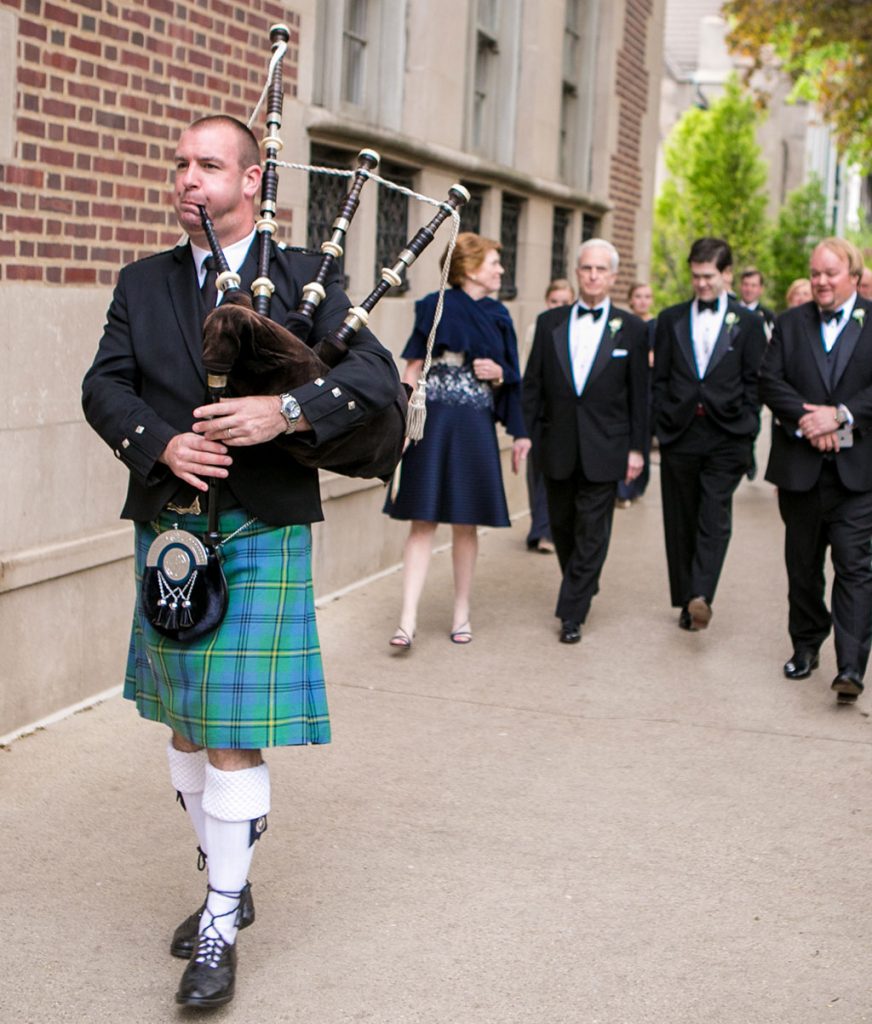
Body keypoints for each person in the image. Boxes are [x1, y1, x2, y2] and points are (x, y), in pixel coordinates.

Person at [81, 115, 400, 1008]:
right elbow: (103, 385)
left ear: (253, 181)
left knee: (228, 731)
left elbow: (375, 377)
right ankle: (232, 870)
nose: (189, 178)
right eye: (180, 164)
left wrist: (286, 413)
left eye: (209, 165)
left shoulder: (309, 276)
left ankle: (220, 916)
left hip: (261, 524)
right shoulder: (141, 283)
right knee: (184, 723)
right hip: (171, 531)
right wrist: (160, 444)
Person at [383, 232, 530, 648]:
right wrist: (402, 421)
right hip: (434, 421)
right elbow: (412, 366)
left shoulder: (500, 314)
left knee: (466, 523)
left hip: (475, 423)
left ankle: (461, 614)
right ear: (468, 267)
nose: (501, 269)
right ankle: (406, 620)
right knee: (422, 519)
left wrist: (497, 373)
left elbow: (513, 375)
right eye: (494, 263)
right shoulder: (433, 305)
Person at [759, 237, 872, 705]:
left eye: (830, 273)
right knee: (803, 567)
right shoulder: (789, 323)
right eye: (816, 273)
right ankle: (806, 646)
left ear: (853, 275)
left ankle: (850, 666)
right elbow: (769, 379)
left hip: (857, 474)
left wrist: (841, 414)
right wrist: (811, 420)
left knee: (854, 567)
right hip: (801, 469)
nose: (821, 282)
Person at [522, 239, 648, 644]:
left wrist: (637, 449)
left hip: (606, 446)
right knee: (562, 527)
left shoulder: (632, 328)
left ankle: (571, 611)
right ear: (577, 273)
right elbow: (533, 386)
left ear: (612, 277)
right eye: (586, 268)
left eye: (601, 270)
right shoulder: (549, 323)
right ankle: (581, 582)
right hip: (555, 445)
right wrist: (526, 435)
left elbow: (640, 395)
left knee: (593, 529)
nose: (593, 276)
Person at [652, 237, 767, 631]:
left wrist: (748, 423)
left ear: (727, 274)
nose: (700, 284)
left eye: (708, 276)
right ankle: (687, 598)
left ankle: (701, 594)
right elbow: (660, 377)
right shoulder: (670, 319)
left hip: (726, 434)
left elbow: (756, 380)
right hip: (680, 432)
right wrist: (660, 420)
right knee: (681, 517)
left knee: (713, 515)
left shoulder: (748, 324)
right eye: (695, 276)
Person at [524, 278, 575, 552]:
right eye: (554, 301)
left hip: (561, 413)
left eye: (564, 302)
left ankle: (547, 531)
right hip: (538, 409)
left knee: (553, 475)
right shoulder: (538, 327)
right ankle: (539, 525)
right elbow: (527, 367)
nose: (558, 307)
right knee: (536, 473)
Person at [615, 281, 657, 507]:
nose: (642, 300)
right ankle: (623, 488)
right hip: (624, 387)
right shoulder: (622, 324)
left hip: (649, 389)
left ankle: (637, 483)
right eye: (638, 296)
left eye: (647, 296)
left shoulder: (657, 326)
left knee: (642, 437)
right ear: (631, 299)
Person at [739, 266, 775, 335]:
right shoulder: (730, 310)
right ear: (740, 286)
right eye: (746, 284)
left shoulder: (768, 316)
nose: (749, 289)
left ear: (761, 289)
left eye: (753, 285)